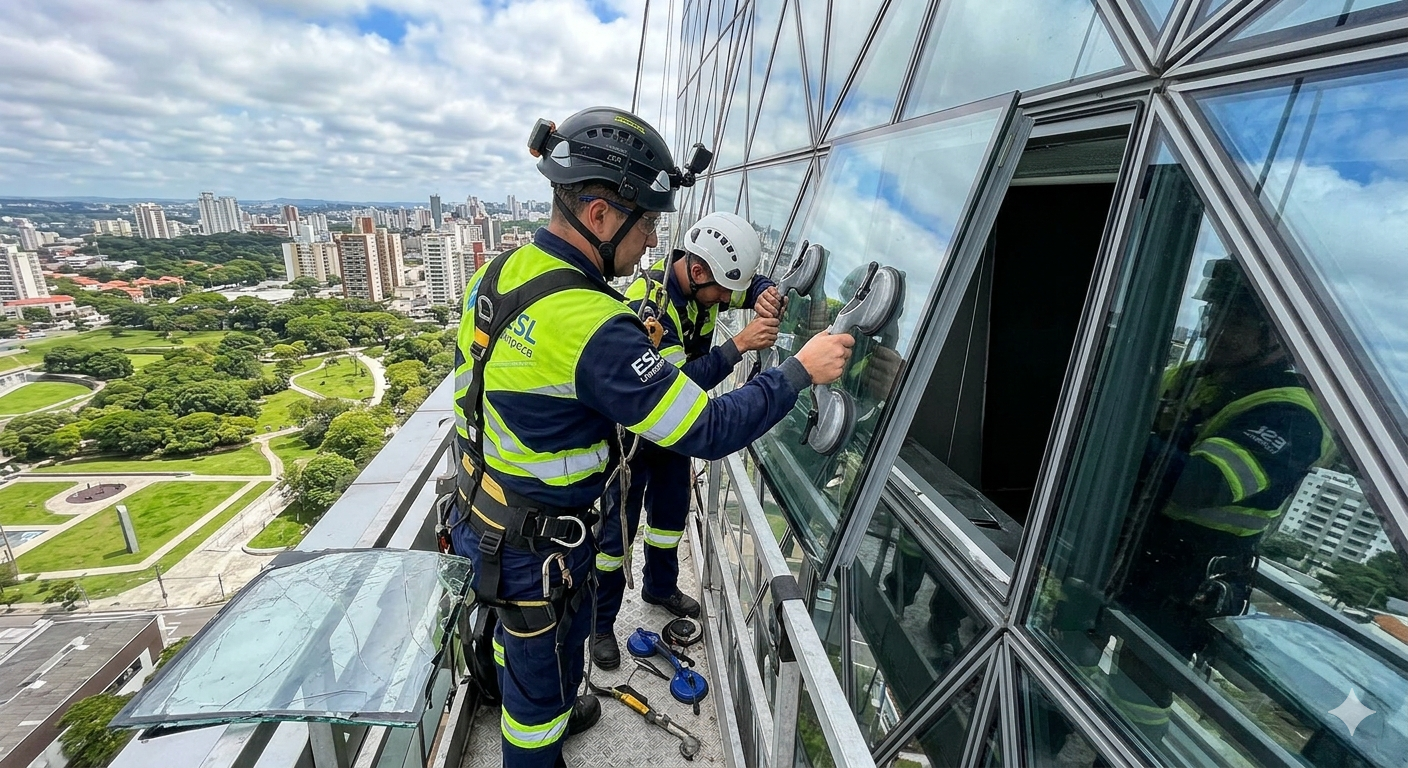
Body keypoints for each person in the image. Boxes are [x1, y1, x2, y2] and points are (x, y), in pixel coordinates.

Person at [448, 106, 855, 768]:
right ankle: (537, 739)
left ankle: (542, 698)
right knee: (533, 709)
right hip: (537, 546)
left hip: (488, 510)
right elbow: (710, 426)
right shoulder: (595, 325)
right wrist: (799, 373)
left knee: (524, 648)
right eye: (648, 223)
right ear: (601, 214)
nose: (653, 241)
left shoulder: (504, 272)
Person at [1057, 257, 1331, 742]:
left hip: (1186, 579)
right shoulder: (1189, 379)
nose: (1219, 329)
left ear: (1278, 336)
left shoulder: (1291, 413)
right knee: (1067, 653)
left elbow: (1199, 484)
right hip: (1124, 555)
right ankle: (1044, 733)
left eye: (1240, 321)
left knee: (1140, 693)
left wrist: (1107, 418)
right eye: (1215, 313)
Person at [591, 210, 784, 670]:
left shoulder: (704, 279)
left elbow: (744, 286)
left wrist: (763, 291)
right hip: (633, 439)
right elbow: (679, 383)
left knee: (669, 519)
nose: (724, 299)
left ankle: (660, 586)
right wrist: (738, 345)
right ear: (697, 273)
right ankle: (600, 626)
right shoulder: (651, 308)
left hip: (674, 435)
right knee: (617, 535)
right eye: (720, 290)